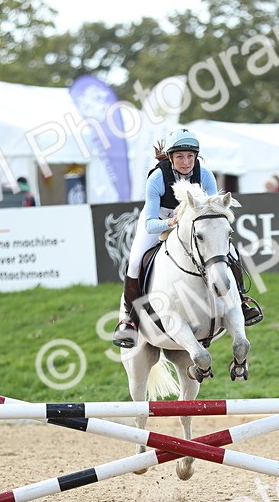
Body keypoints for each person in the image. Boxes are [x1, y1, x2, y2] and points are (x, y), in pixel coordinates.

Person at [112, 128, 263, 348]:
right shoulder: (157, 177)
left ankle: (241, 300)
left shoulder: (205, 175)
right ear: (171, 157)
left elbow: (213, 208)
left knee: (230, 252)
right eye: (180, 156)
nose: (186, 162)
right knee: (135, 261)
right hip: (161, 218)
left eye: (190, 156)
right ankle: (129, 320)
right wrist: (171, 223)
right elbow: (150, 223)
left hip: (194, 220)